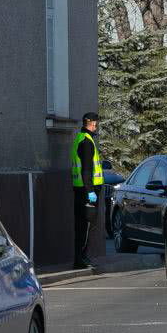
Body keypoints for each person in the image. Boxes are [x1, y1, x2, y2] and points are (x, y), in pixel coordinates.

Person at [72, 112, 104, 269]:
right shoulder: (87, 142)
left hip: (80, 189)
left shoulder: (81, 138)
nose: (97, 126)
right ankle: (80, 259)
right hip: (86, 192)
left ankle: (81, 258)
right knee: (85, 226)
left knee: (82, 225)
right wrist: (90, 191)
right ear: (91, 123)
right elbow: (86, 170)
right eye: (96, 123)